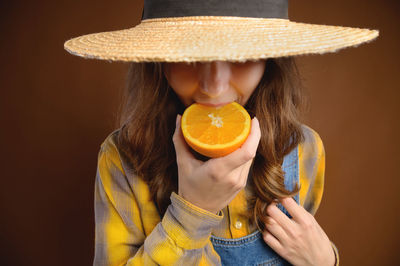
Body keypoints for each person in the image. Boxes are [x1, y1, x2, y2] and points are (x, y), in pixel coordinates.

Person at [64, 0, 378, 265]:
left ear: (270, 59)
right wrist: (192, 213)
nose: (214, 86)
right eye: (188, 55)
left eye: (240, 54)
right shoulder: (122, 160)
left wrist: (326, 261)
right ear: (158, 62)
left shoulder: (304, 150)